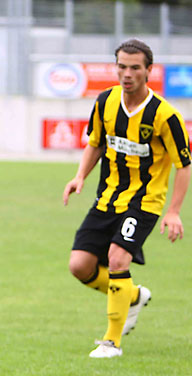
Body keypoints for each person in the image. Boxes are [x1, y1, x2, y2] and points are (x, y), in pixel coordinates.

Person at [63, 39, 190, 359]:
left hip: (145, 202)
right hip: (107, 198)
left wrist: (174, 211)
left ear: (149, 70)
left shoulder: (165, 115)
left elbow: (184, 165)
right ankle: (132, 296)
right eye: (122, 66)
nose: (127, 73)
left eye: (135, 67)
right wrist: (80, 176)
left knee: (118, 259)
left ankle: (111, 342)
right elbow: (95, 143)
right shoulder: (105, 101)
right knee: (79, 265)